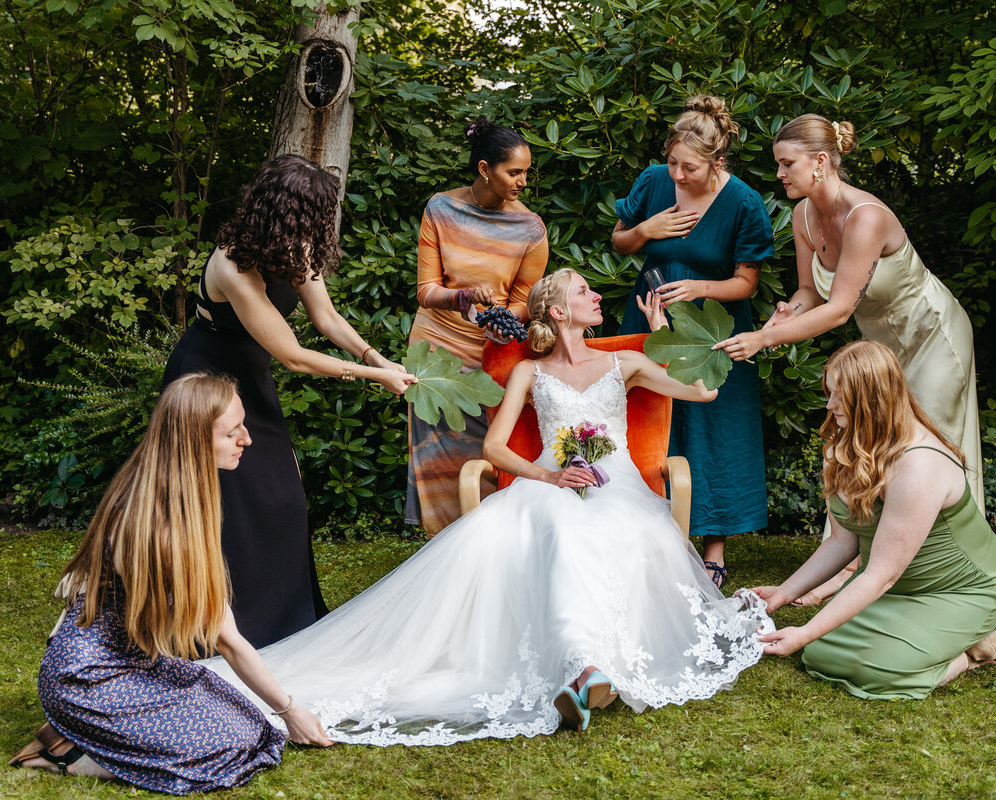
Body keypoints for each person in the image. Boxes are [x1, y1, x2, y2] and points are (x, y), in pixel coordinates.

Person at [203, 269, 773, 743]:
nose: (596, 297)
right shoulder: (530, 370)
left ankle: (584, 668)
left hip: (616, 484)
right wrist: (550, 475)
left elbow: (705, 392)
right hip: (550, 482)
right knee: (557, 529)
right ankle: (585, 669)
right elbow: (494, 448)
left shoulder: (628, 366)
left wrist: (664, 334)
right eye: (582, 291)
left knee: (609, 532)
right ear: (554, 310)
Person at [8, 373, 334, 793]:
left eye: (243, 425)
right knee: (230, 746)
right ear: (195, 440)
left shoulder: (166, 489)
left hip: (133, 661)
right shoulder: (159, 527)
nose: (247, 440)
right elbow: (227, 639)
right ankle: (69, 754)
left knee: (251, 725)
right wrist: (291, 711)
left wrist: (280, 713)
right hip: (86, 677)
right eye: (232, 431)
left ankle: (87, 737)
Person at [715, 114, 984, 602]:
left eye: (786, 163)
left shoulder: (866, 217)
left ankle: (938, 571)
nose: (779, 174)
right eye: (778, 164)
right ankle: (846, 567)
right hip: (878, 351)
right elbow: (808, 294)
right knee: (863, 441)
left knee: (927, 446)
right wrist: (784, 316)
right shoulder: (802, 218)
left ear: (820, 161)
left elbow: (839, 310)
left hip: (930, 335)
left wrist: (762, 341)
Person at [162, 154, 416, 648]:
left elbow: (328, 319)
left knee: (284, 497)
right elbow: (294, 356)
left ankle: (289, 624)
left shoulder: (294, 247)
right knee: (224, 505)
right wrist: (372, 376)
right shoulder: (232, 264)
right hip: (206, 384)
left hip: (249, 379)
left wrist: (379, 359)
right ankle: (222, 629)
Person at [746, 341, 996, 700]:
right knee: (821, 655)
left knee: (873, 670)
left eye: (840, 397)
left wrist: (805, 631)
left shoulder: (919, 463)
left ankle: (976, 651)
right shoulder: (843, 448)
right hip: (894, 585)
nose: (829, 405)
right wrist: (783, 594)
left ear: (870, 401)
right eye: (830, 393)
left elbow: (881, 574)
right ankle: (926, 639)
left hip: (959, 590)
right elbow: (842, 542)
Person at [612, 95, 775, 588]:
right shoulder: (654, 181)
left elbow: (746, 282)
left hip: (713, 327)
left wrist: (701, 287)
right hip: (650, 315)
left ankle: (714, 548)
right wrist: (645, 229)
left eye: (690, 168)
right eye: (673, 163)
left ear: (717, 161)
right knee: (647, 417)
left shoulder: (744, 203)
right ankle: (642, 533)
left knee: (711, 424)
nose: (677, 177)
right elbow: (620, 241)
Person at [406, 117, 549, 535]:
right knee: (437, 455)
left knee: (490, 451)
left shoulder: (531, 229)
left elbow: (524, 302)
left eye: (526, 171)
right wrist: (462, 297)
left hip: (493, 353)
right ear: (485, 169)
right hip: (435, 351)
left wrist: (505, 325)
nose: (523, 181)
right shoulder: (441, 208)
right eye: (514, 172)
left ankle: (490, 545)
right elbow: (426, 290)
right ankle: (441, 547)